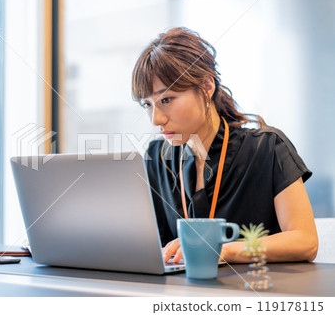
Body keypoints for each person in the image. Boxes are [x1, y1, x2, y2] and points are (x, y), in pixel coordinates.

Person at [131, 27, 318, 264]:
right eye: (147, 105)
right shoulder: (158, 157)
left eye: (166, 99)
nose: (156, 119)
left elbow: (305, 241)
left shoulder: (268, 147)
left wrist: (224, 250)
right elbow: (156, 246)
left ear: (207, 87)